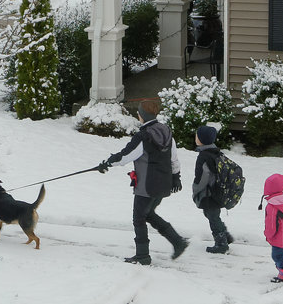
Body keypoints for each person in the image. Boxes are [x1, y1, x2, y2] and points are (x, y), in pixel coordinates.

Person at [97, 99, 188, 265]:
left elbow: (126, 156)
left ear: (142, 116)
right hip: (164, 183)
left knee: (139, 217)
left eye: (138, 113)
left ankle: (142, 256)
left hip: (147, 186)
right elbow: (173, 157)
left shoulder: (143, 137)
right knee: (149, 214)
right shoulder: (166, 132)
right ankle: (178, 242)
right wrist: (176, 177)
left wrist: (107, 163)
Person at [192, 125, 234, 254]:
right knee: (211, 214)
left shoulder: (204, 156)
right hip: (217, 191)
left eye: (197, 136)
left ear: (202, 139)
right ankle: (225, 235)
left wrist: (196, 190)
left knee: (212, 216)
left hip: (210, 193)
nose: (195, 138)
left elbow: (202, 177)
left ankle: (221, 243)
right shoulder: (215, 152)